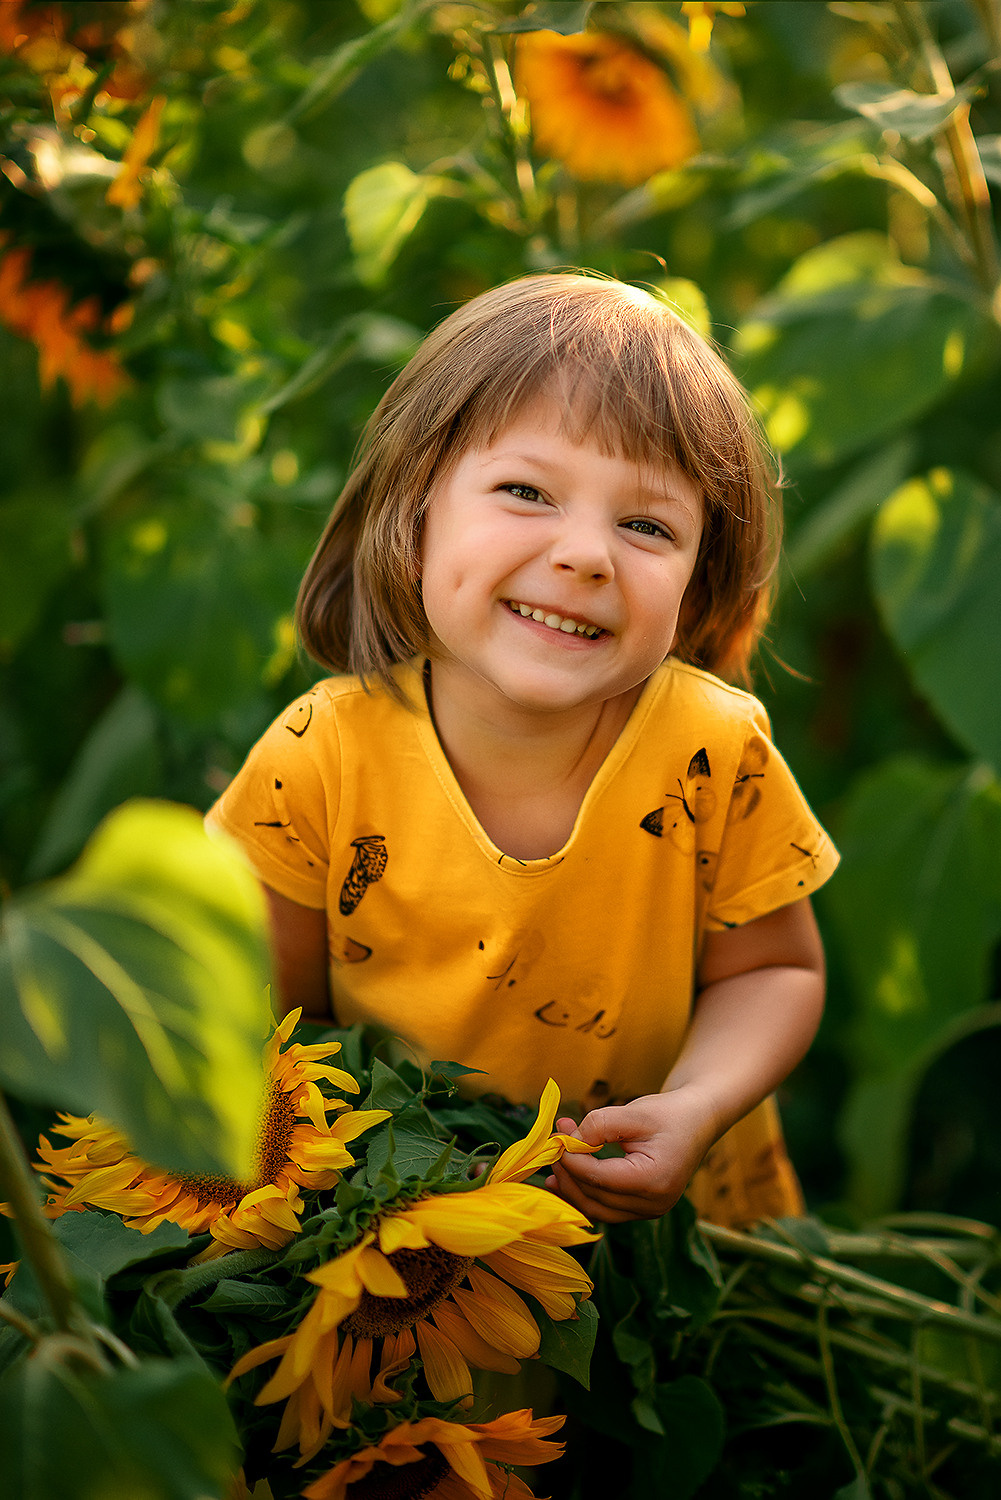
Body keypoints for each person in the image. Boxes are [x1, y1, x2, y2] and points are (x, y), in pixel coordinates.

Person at [206, 272, 838, 1230]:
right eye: (526, 492)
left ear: (696, 578)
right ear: (412, 512)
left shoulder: (710, 751)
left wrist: (698, 1106)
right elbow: (270, 1015)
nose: (585, 554)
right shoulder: (320, 757)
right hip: (403, 1233)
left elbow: (772, 972)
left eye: (645, 525)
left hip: (667, 1228)